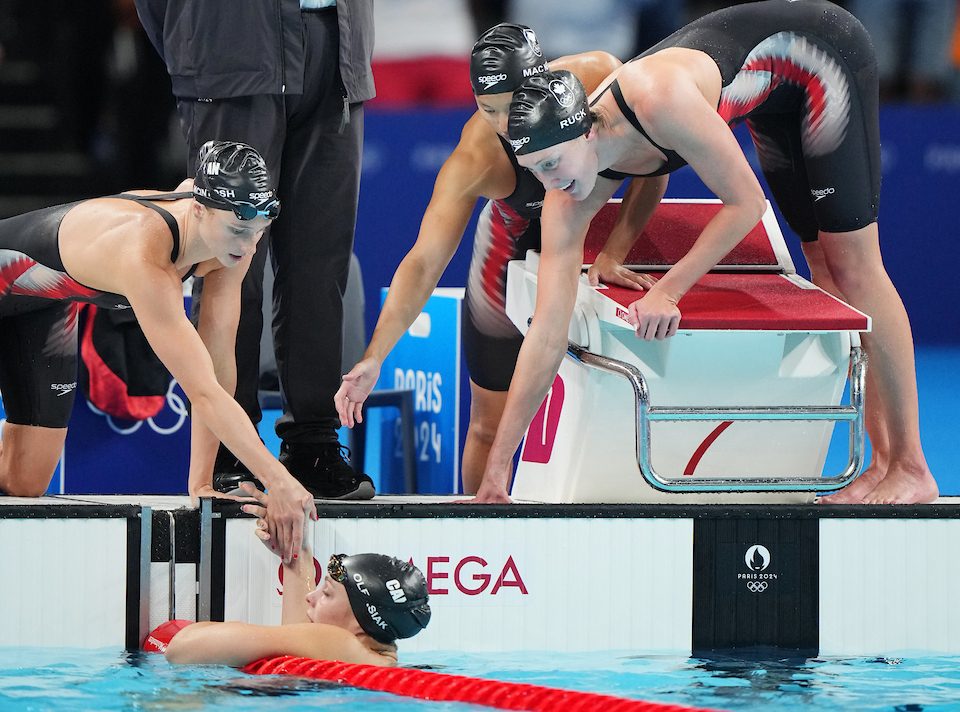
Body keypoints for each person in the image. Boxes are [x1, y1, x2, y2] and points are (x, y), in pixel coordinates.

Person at [480, 0, 937, 505]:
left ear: (587, 130)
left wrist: (670, 290)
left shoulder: (657, 101)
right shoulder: (565, 191)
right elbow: (545, 335)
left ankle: (911, 466)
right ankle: (879, 464)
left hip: (819, 55)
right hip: (769, 95)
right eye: (534, 170)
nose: (552, 183)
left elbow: (745, 204)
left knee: (853, 266)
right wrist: (498, 472)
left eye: (552, 163)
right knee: (822, 264)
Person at [334, 23, 664, 494]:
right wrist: (374, 358)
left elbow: (657, 162)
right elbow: (424, 261)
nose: (507, 124)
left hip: (585, 238)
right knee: (490, 424)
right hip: (511, 251)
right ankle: (484, 526)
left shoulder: (597, 80)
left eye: (515, 106)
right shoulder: (478, 156)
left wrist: (615, 251)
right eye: (489, 109)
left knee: (597, 412)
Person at [0, 140, 314, 561]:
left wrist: (201, 482)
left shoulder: (231, 235)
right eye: (240, 230)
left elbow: (217, 366)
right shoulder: (144, 251)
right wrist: (278, 479)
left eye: (258, 231)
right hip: (10, 278)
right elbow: (200, 391)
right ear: (199, 209)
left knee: (25, 482)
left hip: (44, 304)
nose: (249, 246)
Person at [135, 0, 376, 500]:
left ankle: (313, 439)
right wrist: (198, 44)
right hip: (232, 43)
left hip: (339, 48)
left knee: (320, 262)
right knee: (229, 263)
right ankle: (228, 444)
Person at [163, 484, 431, 666]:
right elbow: (298, 641)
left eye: (326, 593)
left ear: (361, 624)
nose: (310, 597)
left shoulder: (342, 643)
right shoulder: (370, 656)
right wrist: (295, 553)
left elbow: (182, 648)